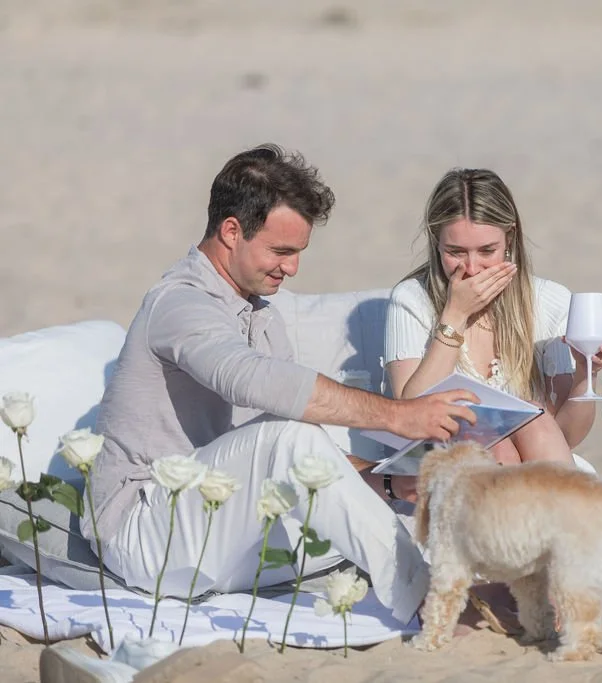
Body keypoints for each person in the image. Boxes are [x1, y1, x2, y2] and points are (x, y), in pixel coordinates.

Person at [83, 144, 478, 624]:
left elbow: (287, 454)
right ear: (231, 231)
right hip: (143, 534)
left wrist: (391, 483)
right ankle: (430, 598)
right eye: (281, 251)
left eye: (297, 254)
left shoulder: (261, 318)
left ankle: (469, 584)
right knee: (295, 436)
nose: (291, 269)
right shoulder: (178, 304)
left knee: (356, 498)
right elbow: (247, 380)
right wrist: (399, 414)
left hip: (217, 526)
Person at [385, 168, 602, 466]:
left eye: (487, 250)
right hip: (446, 467)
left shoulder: (548, 300)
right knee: (493, 443)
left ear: (509, 238)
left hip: (538, 466)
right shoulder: (412, 299)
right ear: (435, 241)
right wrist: (455, 316)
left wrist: (587, 373)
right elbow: (409, 414)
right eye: (456, 252)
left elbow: (565, 436)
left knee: (530, 417)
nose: (472, 268)